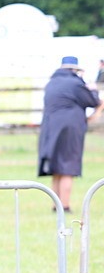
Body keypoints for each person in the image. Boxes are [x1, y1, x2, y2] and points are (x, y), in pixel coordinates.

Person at [38, 56, 103, 212]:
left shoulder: (51, 83)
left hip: (50, 128)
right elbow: (93, 101)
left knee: (56, 168)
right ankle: (65, 206)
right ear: (75, 69)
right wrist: (93, 89)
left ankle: (56, 205)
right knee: (68, 167)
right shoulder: (75, 83)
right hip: (70, 129)